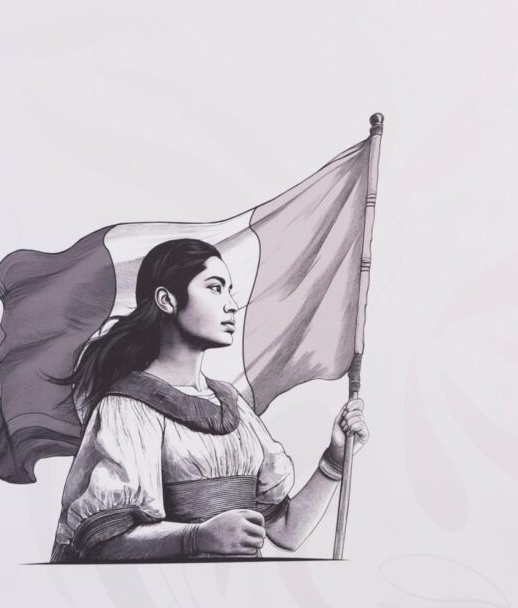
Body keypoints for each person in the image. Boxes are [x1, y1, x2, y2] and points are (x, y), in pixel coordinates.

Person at [49, 238, 368, 565]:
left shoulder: (234, 406)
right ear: (166, 300)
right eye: (215, 288)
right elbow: (103, 545)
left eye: (230, 291)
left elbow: (287, 532)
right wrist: (197, 537)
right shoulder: (128, 407)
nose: (231, 305)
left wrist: (336, 459)